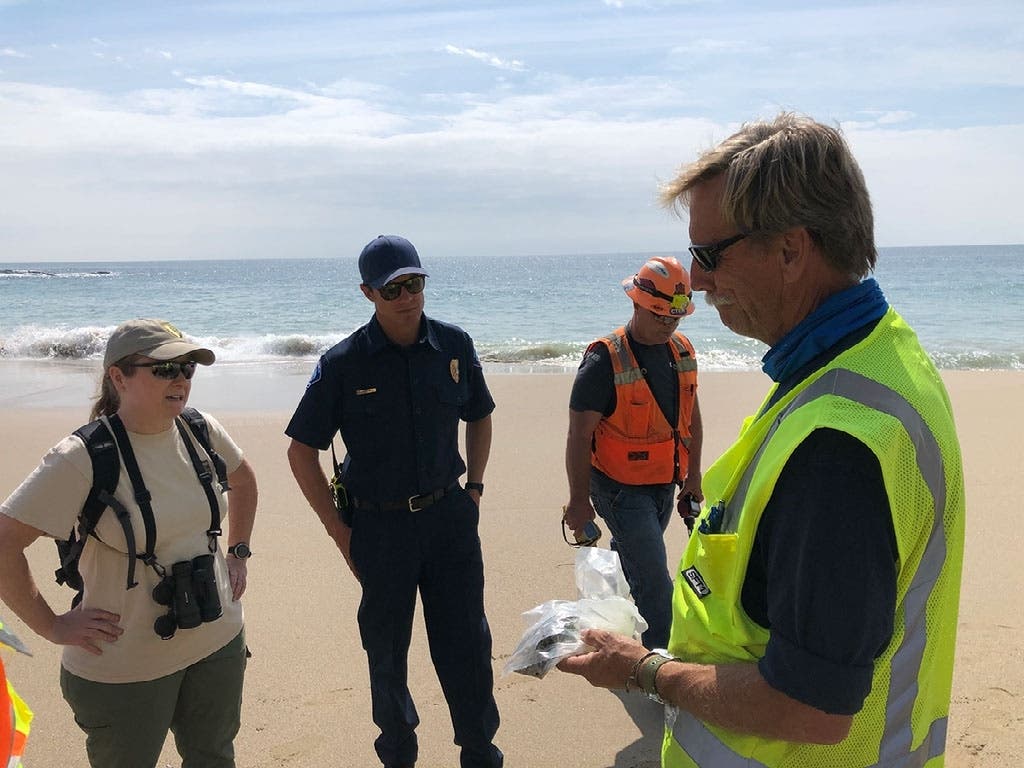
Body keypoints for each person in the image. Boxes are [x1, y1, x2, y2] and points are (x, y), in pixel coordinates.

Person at [559, 112, 965, 768]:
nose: (694, 279)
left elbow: (811, 707)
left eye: (709, 253)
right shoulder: (877, 356)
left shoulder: (837, 446)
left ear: (790, 249)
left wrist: (645, 670)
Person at [0, 319, 258, 768]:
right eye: (162, 369)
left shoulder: (200, 430)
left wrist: (238, 553)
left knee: (214, 758)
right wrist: (51, 626)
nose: (179, 378)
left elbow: (244, 479)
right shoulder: (82, 457)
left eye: (186, 368)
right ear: (118, 377)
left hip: (217, 643)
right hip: (124, 668)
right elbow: (4, 542)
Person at [285, 235, 503, 768]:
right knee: (386, 651)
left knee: (467, 645)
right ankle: (398, 754)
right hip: (379, 530)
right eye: (394, 288)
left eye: (415, 283)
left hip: (450, 518)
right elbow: (300, 452)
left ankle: (478, 751)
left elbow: (479, 414)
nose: (408, 296)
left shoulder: (455, 345)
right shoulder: (343, 364)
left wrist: (473, 489)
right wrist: (341, 533)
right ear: (368, 293)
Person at [563, 255, 703, 648]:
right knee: (657, 586)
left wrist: (692, 477)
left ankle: (616, 609)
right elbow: (578, 436)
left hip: (665, 484)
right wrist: (578, 502)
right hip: (619, 490)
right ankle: (663, 668)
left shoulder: (681, 350)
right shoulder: (603, 360)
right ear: (637, 303)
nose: (668, 325)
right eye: (660, 316)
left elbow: (692, 416)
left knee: (637, 560)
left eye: (675, 318)